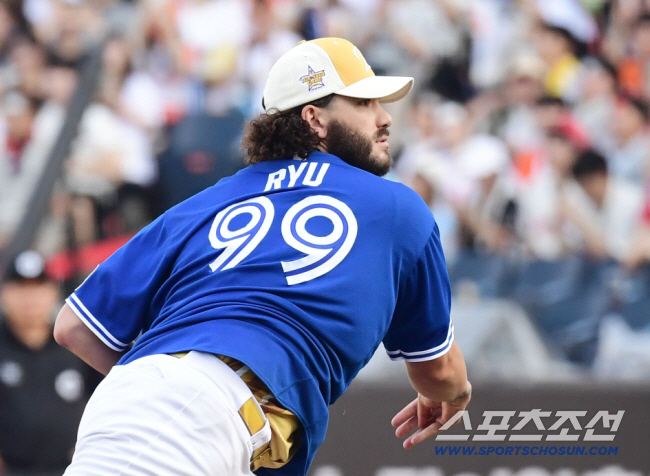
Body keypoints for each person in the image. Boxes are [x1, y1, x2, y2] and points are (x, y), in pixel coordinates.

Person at [54, 37, 471, 476]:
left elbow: (74, 326)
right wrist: (457, 394)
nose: (385, 117)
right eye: (364, 103)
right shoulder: (396, 207)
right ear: (315, 118)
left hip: (152, 399)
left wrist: (156, 384)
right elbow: (440, 373)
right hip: (198, 413)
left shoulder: (208, 201)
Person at [0, 250, 94, 475]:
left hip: (71, 469)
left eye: (38, 287)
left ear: (53, 292)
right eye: (21, 288)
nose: (30, 298)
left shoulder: (76, 345)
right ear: (5, 293)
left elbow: (106, 399)